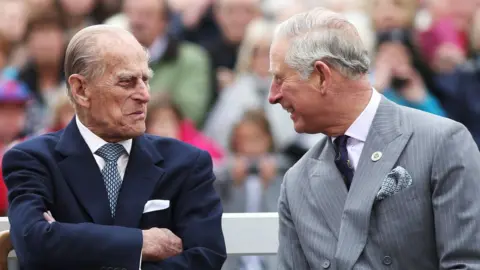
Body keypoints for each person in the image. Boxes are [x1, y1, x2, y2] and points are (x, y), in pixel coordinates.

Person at [268, 7, 480, 270]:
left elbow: (467, 263)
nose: (273, 96)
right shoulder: (296, 182)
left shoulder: (442, 142)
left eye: (279, 78)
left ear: (322, 76)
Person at [2, 25, 226, 270]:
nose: (144, 95)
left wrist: (64, 239)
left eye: (145, 80)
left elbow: (205, 259)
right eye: (127, 81)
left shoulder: (187, 163)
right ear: (81, 90)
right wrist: (140, 242)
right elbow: (33, 243)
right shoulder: (32, 160)